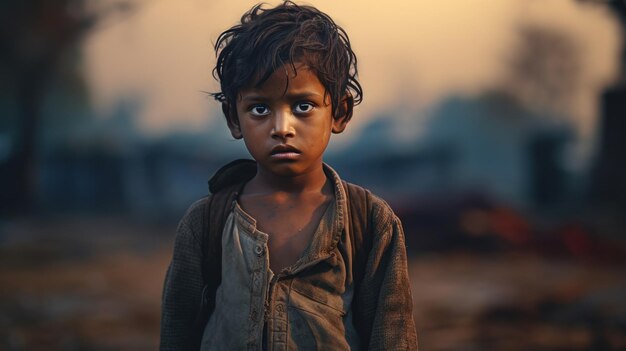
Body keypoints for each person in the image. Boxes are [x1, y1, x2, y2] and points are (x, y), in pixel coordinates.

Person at [160, 1, 418, 350]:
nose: (282, 128)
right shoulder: (206, 223)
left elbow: (392, 335)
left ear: (339, 112)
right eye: (260, 109)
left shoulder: (370, 222)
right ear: (234, 118)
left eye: (302, 106)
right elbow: (178, 331)